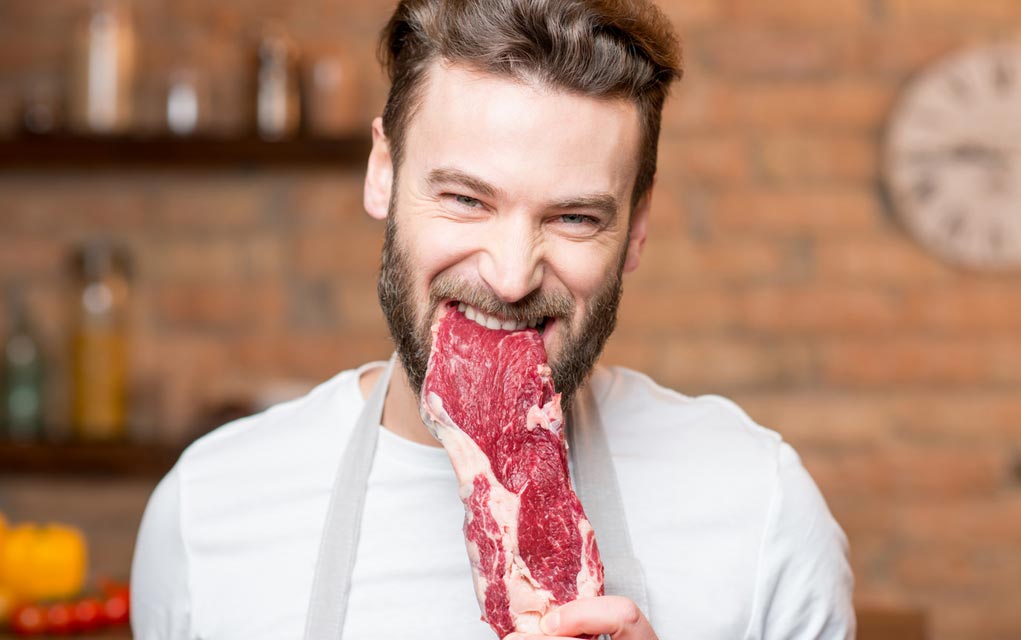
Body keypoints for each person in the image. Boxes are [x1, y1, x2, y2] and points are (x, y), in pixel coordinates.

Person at [131, 0, 855, 638]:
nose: (510, 278)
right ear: (382, 172)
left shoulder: (759, 511)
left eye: (574, 217)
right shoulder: (208, 512)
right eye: (465, 200)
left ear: (636, 227)